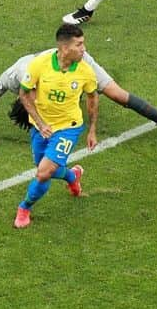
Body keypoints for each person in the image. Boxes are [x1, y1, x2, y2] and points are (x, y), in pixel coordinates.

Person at [0, 42, 157, 148]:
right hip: (64, 77)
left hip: (77, 60)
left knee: (117, 95)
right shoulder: (15, 76)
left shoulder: (27, 72)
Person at [13, 25, 96, 229]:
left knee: (43, 173)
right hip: (41, 127)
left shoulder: (85, 71)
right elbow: (24, 93)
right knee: (45, 167)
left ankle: (24, 208)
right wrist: (40, 123)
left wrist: (92, 129)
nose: (83, 48)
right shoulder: (39, 64)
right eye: (79, 44)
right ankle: (71, 176)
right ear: (64, 47)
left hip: (69, 127)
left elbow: (93, 98)